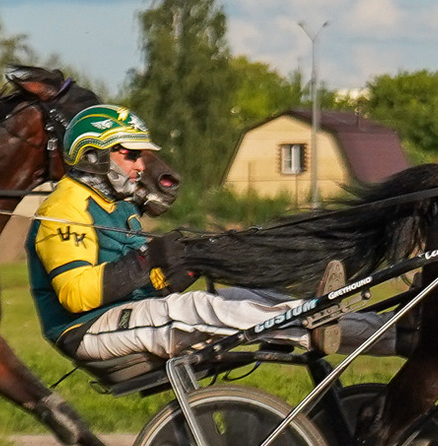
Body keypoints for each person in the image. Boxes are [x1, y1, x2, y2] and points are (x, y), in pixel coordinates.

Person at [29, 104, 390, 362]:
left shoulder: (118, 205)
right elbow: (75, 295)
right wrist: (147, 259)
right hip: (84, 329)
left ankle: (391, 333)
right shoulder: (64, 207)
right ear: (93, 156)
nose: (141, 166)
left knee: (245, 296)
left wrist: (179, 270)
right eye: (132, 155)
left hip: (128, 313)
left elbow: (141, 280)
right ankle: (312, 325)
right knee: (201, 308)